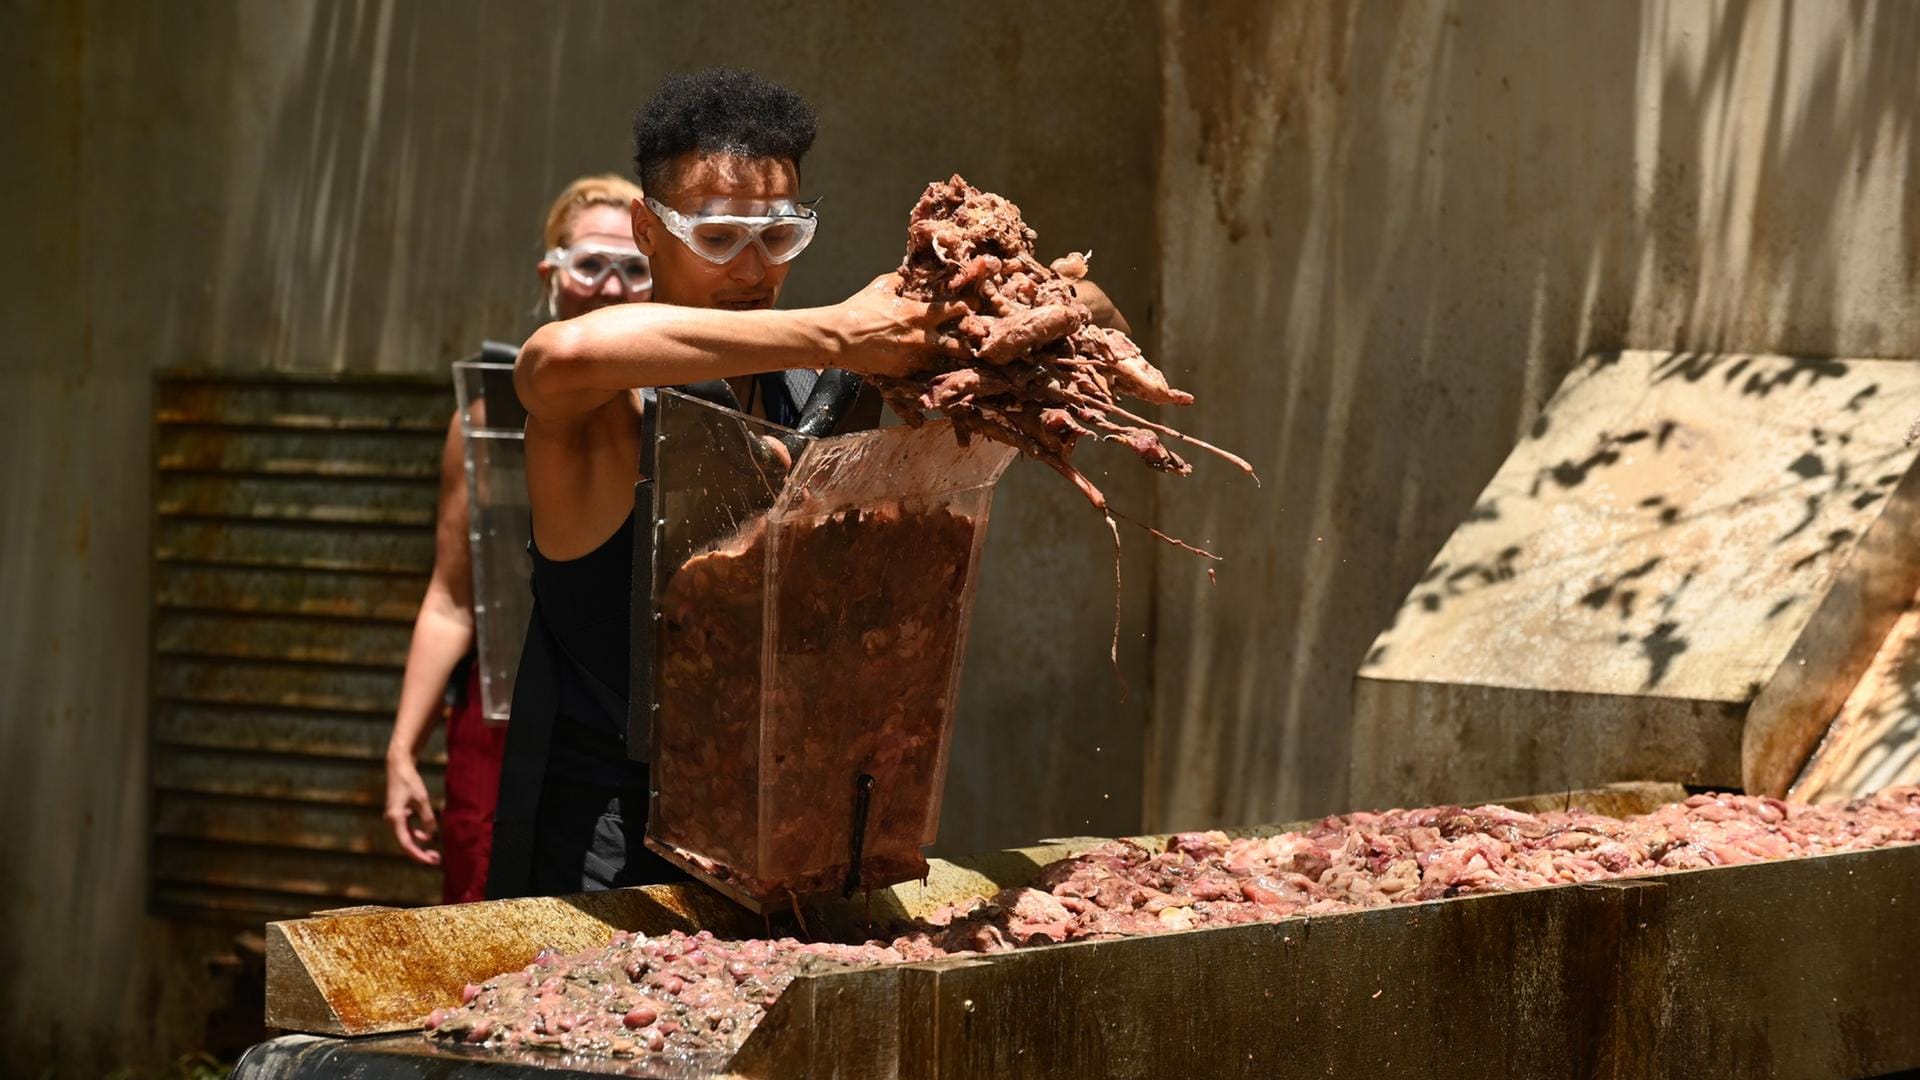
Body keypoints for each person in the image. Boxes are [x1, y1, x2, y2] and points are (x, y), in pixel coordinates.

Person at [488, 68, 1127, 899]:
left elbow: (1099, 307)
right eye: (717, 239)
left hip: (790, 824)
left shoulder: (819, 382)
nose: (752, 269)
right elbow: (558, 357)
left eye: (779, 237)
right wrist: (837, 331)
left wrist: (1002, 304)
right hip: (609, 845)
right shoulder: (609, 407)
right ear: (647, 230)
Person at [385, 174, 652, 904]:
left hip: (615, 734)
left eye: (633, 268)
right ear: (552, 274)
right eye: (590, 264)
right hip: (499, 722)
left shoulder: (686, 407)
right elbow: (451, 595)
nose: (610, 288)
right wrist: (403, 746)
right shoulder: (489, 411)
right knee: (484, 925)